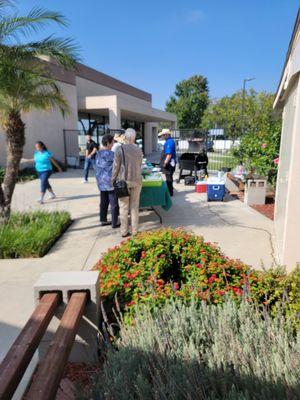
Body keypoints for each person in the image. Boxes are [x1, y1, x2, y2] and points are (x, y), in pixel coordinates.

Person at [112, 128, 143, 237]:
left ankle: (124, 231)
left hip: (123, 180)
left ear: (125, 137)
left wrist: (112, 180)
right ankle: (135, 230)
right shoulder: (138, 150)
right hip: (137, 180)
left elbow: (116, 167)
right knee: (134, 206)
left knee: (124, 207)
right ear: (134, 138)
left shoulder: (120, 149)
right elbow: (140, 165)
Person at [95, 134, 119, 228]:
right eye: (112, 142)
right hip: (110, 182)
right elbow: (117, 167)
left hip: (100, 181)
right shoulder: (112, 154)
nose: (113, 144)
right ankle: (114, 222)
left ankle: (103, 220)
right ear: (108, 143)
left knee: (103, 202)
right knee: (113, 203)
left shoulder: (98, 153)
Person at [158, 128, 177, 196]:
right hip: (169, 162)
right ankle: (170, 190)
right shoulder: (168, 141)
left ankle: (170, 192)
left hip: (169, 163)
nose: (162, 136)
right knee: (168, 177)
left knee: (169, 178)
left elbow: (169, 154)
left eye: (163, 135)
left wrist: (165, 163)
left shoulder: (169, 142)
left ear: (166, 135)